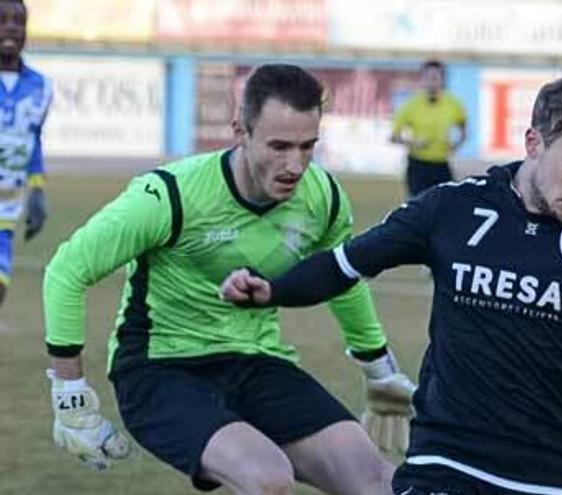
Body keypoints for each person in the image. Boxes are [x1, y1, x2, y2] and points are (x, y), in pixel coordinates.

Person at [220, 74, 562, 495]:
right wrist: (274, 289)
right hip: (445, 458)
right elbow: (347, 263)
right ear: (534, 143)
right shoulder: (450, 209)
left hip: (550, 469)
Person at [43, 64, 415, 495]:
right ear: (240, 129)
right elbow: (67, 271)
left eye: (307, 146)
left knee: (379, 482)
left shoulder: (323, 198)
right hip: (161, 368)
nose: (295, 165)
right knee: (267, 476)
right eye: (279, 146)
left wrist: (379, 370)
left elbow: (342, 279)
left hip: (258, 362)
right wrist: (68, 393)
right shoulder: (170, 195)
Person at [0, 0, 51, 305]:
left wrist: (37, 189)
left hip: (6, 205)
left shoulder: (42, 86)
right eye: (2, 20)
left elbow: (34, 140)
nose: (10, 27)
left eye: (18, 21)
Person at [391, 59, 467, 197]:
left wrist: (456, 145)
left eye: (436, 77)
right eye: (428, 78)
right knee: (417, 208)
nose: (432, 82)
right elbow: (393, 137)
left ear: (442, 80)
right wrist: (412, 142)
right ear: (422, 79)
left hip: (441, 164)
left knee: (449, 203)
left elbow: (463, 130)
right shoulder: (411, 105)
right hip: (418, 164)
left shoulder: (453, 104)